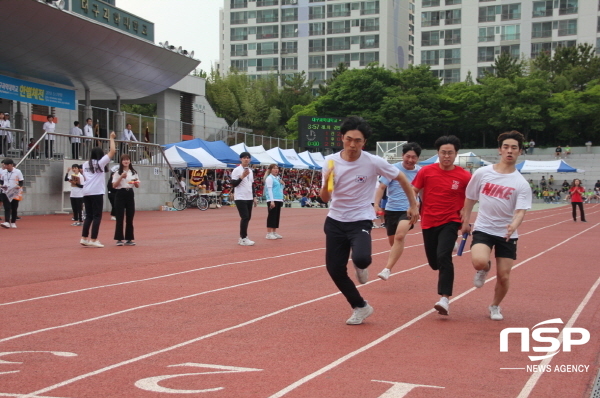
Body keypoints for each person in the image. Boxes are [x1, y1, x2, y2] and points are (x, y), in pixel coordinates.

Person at [319, 116, 418, 325]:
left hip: (360, 219)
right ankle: (361, 306)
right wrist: (328, 182)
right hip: (335, 220)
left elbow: (401, 178)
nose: (353, 144)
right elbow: (325, 198)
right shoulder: (329, 162)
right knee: (334, 270)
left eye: (358, 140)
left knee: (362, 258)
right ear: (341, 138)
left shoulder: (373, 162)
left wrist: (413, 205)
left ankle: (360, 266)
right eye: (349, 139)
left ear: (364, 142)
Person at [461, 131, 532, 321]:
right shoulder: (483, 173)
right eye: (506, 147)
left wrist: (513, 226)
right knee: (479, 262)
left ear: (519, 152)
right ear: (499, 150)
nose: (510, 151)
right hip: (484, 228)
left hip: (507, 234)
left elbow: (520, 212)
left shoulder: (521, 183)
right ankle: (485, 268)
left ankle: (494, 306)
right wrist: (466, 220)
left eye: (514, 148)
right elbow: (470, 198)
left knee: (504, 276)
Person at [412, 135, 471, 316]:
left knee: (444, 256)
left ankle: (444, 298)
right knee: (434, 263)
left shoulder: (464, 176)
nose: (446, 156)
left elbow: (472, 197)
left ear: (456, 154)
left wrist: (466, 215)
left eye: (450, 153)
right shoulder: (426, 171)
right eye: (443, 153)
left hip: (451, 221)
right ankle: (446, 247)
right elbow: (413, 190)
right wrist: (412, 205)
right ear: (438, 153)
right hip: (429, 220)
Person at [373, 142, 422, 281]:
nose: (410, 160)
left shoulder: (420, 172)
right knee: (393, 241)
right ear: (402, 155)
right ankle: (396, 251)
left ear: (418, 158)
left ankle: (387, 269)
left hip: (409, 210)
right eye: (408, 156)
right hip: (391, 210)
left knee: (400, 237)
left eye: (414, 157)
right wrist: (376, 204)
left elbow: (423, 191)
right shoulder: (393, 169)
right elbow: (381, 187)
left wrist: (419, 204)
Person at [80, 131, 116, 248]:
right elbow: (112, 152)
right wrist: (111, 138)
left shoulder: (85, 164)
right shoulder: (100, 163)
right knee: (97, 216)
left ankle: (84, 237)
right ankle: (94, 239)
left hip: (86, 191)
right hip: (96, 192)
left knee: (88, 216)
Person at [112, 154, 139, 246]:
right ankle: (119, 239)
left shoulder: (134, 172)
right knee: (119, 217)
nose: (126, 161)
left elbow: (137, 185)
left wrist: (135, 182)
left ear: (130, 161)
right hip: (120, 193)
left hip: (130, 193)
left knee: (130, 216)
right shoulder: (117, 172)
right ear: (121, 162)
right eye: (124, 160)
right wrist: (121, 177)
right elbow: (114, 186)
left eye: (127, 159)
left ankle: (129, 238)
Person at [231, 152, 257, 246]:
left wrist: (254, 197)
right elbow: (233, 184)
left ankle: (243, 237)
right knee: (245, 217)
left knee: (248, 217)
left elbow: (252, 184)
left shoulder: (250, 170)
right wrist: (242, 177)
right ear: (240, 159)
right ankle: (243, 238)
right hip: (240, 197)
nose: (246, 159)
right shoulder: (236, 170)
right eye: (244, 158)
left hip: (249, 197)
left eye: (248, 158)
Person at [0, 159, 23, 229]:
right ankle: (7, 222)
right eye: (5, 165)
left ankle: (13, 222)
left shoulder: (18, 171)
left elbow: (21, 181)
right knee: (7, 207)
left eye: (7, 165)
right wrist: (1, 185)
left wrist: (18, 187)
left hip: (15, 192)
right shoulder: (3, 172)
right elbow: (1, 180)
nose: (6, 166)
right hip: (5, 191)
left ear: (11, 165)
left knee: (14, 208)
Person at [264, 164, 284, 240]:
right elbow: (269, 189)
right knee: (271, 216)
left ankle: (274, 232)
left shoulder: (278, 178)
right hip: (272, 199)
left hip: (278, 198)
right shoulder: (269, 178)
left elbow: (280, 188)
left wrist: (283, 183)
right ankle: (269, 233)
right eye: (274, 168)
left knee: (276, 216)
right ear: (270, 170)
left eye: (277, 168)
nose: (276, 170)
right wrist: (272, 200)